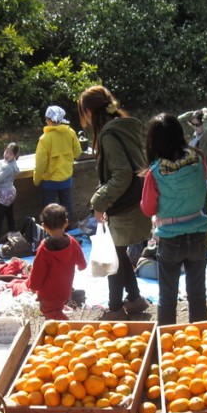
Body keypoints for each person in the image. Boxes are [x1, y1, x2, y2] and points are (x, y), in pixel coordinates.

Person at [77, 85, 151, 320]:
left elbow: (122, 175)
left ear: (89, 111)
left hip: (123, 202)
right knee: (118, 253)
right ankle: (135, 299)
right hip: (137, 198)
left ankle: (115, 308)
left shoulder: (109, 134)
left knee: (112, 257)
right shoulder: (127, 126)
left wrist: (99, 201)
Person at [140, 113, 207, 326]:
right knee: (198, 292)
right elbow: (204, 184)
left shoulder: (155, 172)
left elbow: (148, 208)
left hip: (171, 238)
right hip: (199, 232)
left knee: (168, 297)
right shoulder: (198, 158)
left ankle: (167, 344)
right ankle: (200, 340)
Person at [26, 204, 87, 320]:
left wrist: (33, 286)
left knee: (50, 313)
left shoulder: (44, 249)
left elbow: (37, 272)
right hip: (66, 289)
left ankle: (69, 330)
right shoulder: (72, 242)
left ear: (43, 226)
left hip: (48, 293)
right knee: (57, 309)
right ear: (66, 223)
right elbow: (82, 263)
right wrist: (80, 266)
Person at [33, 105, 82, 227]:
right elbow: (78, 153)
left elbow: (40, 163)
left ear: (49, 120)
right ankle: (69, 231)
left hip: (50, 181)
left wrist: (36, 179)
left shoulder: (45, 139)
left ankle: (49, 233)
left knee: (48, 210)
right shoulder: (70, 133)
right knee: (67, 206)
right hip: (66, 178)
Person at [179, 108, 207, 217]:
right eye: (194, 124)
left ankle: (205, 232)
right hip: (191, 172)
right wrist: (193, 113)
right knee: (192, 204)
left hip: (204, 173)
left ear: (205, 123)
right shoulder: (194, 135)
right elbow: (180, 120)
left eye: (198, 124)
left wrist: (205, 115)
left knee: (203, 205)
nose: (195, 127)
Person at [0, 143, 20, 242]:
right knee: (9, 215)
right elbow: (0, 167)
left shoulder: (8, 167)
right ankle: (13, 236)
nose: (7, 155)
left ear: (15, 156)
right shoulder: (10, 163)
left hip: (5, 194)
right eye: (6, 152)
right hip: (10, 192)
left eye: (10, 154)